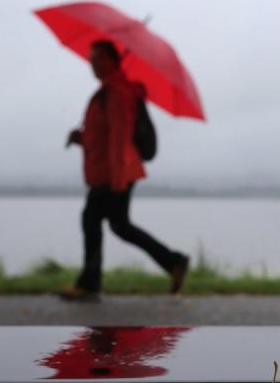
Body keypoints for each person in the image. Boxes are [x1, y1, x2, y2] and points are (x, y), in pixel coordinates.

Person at [59, 40, 189, 302]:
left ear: (113, 61)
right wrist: (81, 139)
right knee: (119, 225)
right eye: (91, 59)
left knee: (93, 219)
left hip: (116, 172)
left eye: (99, 59)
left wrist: (117, 177)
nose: (93, 64)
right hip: (113, 170)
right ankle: (173, 261)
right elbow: (101, 137)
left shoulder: (117, 91)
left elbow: (119, 136)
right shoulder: (107, 91)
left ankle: (89, 283)